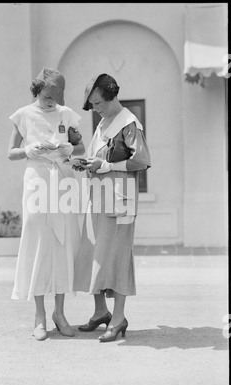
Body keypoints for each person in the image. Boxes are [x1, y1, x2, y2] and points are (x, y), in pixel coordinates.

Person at [73, 73, 151, 342]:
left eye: (97, 103)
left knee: (118, 257)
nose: (95, 109)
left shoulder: (129, 122)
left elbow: (140, 161)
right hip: (99, 196)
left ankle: (118, 319)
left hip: (121, 200)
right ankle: (100, 312)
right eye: (92, 105)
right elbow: (101, 156)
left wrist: (107, 166)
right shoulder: (104, 122)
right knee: (93, 253)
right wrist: (88, 163)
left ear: (111, 96)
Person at [8, 68, 85, 341]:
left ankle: (60, 313)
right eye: (46, 96)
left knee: (62, 244)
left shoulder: (66, 114)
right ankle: (39, 316)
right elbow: (11, 153)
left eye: (55, 97)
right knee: (39, 243)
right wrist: (30, 149)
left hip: (62, 182)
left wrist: (67, 150)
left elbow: (81, 148)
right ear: (36, 90)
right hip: (37, 182)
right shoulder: (24, 115)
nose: (50, 101)